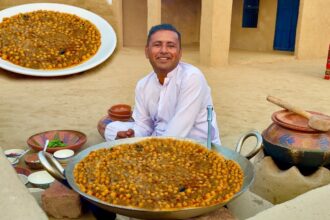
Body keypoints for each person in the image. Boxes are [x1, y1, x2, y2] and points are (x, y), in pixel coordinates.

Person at [105, 24, 221, 145]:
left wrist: (139, 145)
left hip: (196, 147)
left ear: (180, 53)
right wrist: (132, 134)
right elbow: (143, 125)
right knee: (110, 127)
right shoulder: (143, 85)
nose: (164, 51)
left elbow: (178, 132)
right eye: (157, 45)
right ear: (146, 51)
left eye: (171, 46)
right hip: (157, 141)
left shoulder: (192, 77)